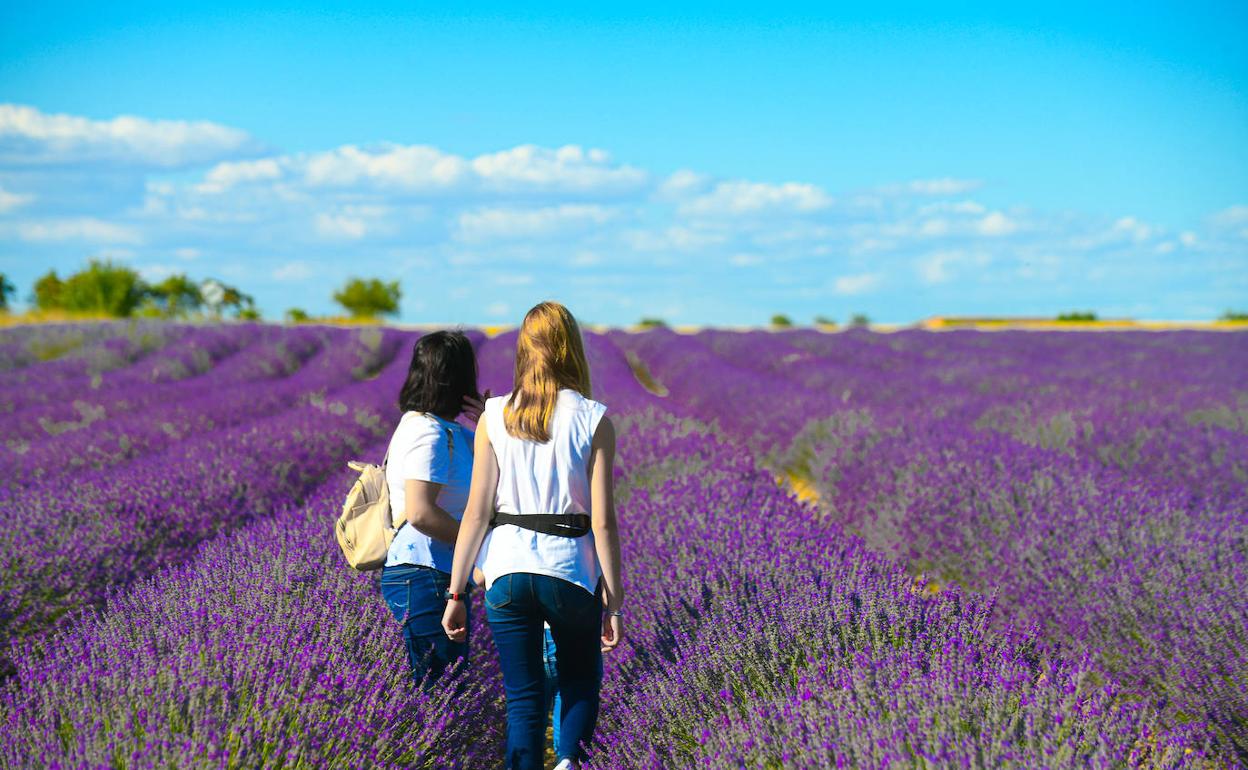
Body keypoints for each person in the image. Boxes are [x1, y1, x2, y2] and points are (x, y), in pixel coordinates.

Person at [442, 301, 625, 770]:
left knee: (522, 701)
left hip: (506, 572)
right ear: (572, 348)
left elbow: (475, 514)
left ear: (523, 348)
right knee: (580, 680)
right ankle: (567, 762)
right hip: (569, 570)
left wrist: (456, 591)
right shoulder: (593, 419)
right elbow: (603, 521)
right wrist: (615, 599)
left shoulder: (494, 415)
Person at [379, 330, 488, 687]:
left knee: (445, 688)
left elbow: (505, 460)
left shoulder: (449, 430)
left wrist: (488, 421)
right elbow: (421, 512)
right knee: (438, 691)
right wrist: (476, 544)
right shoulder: (427, 433)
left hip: (438, 573)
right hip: (422, 574)